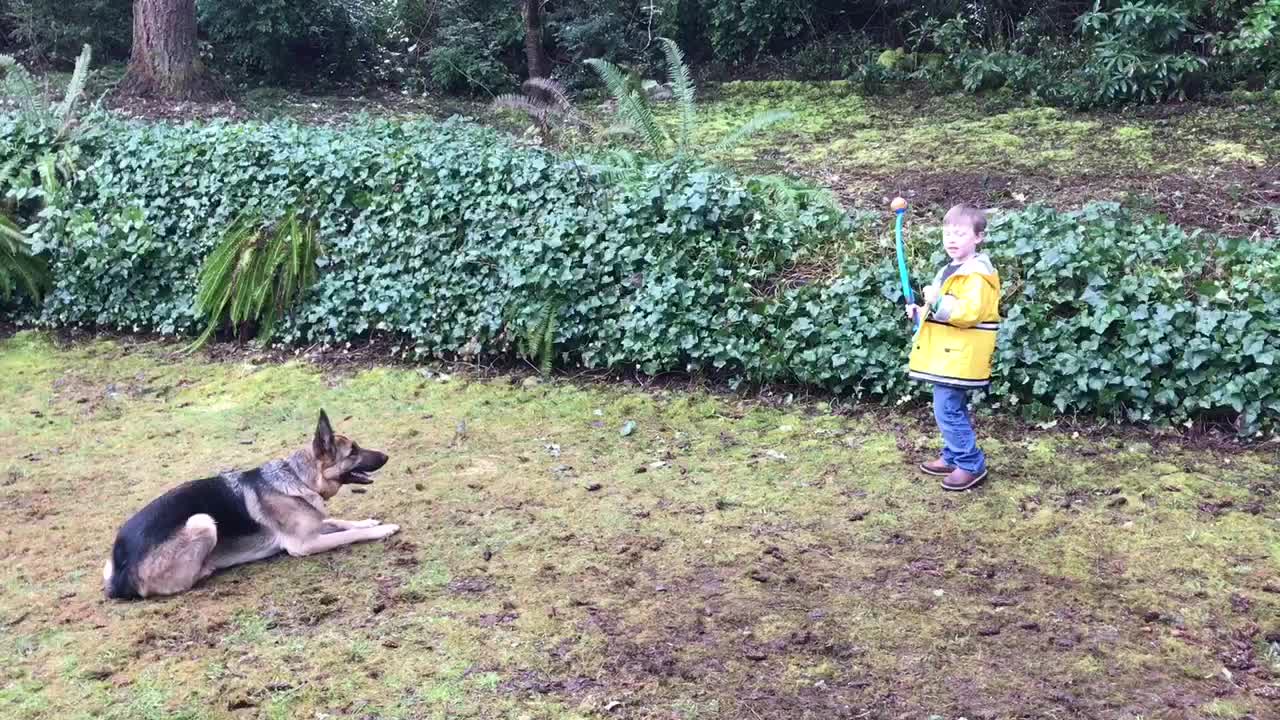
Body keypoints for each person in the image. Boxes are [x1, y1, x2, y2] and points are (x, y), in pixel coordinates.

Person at [905, 204, 1001, 491]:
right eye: (947, 233)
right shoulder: (949, 270)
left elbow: (968, 313)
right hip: (948, 355)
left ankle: (971, 464)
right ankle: (952, 455)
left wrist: (937, 301)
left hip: (961, 356)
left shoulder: (977, 276)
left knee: (947, 409)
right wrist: (921, 313)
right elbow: (941, 311)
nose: (951, 239)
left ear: (979, 237)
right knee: (950, 407)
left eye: (959, 233)